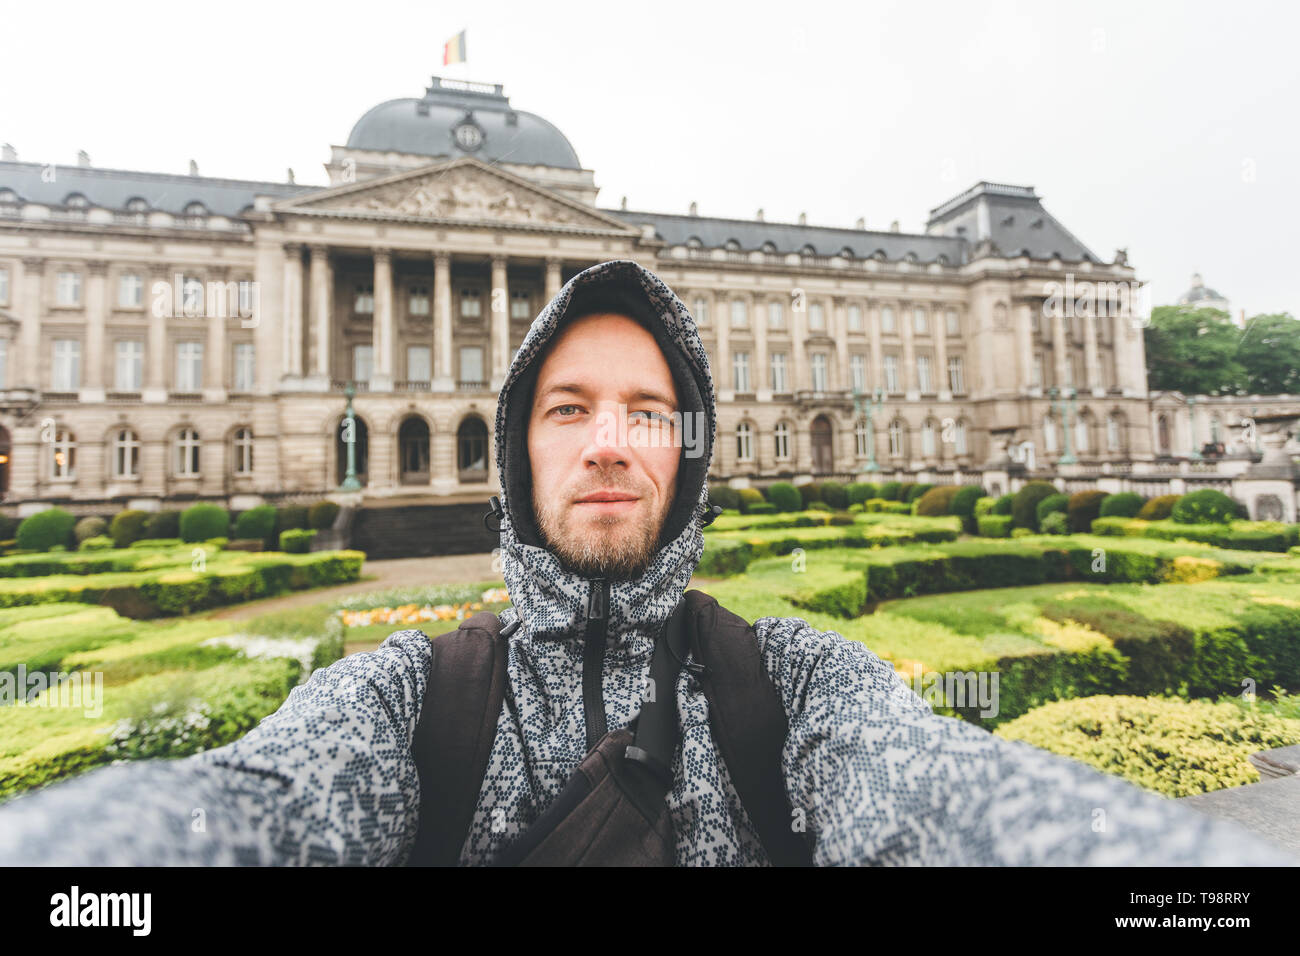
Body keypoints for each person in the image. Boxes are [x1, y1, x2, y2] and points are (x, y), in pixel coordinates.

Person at [0, 259, 1291, 866]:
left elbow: (942, 791)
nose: (608, 442)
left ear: (691, 449)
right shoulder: (411, 704)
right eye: (565, 408)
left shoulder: (794, 688)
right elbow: (241, 811)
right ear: (513, 451)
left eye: (645, 409)